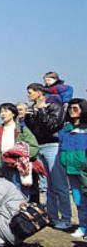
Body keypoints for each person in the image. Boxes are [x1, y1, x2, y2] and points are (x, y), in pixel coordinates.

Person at [24, 82, 71, 230]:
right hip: (40, 146)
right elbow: (33, 130)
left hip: (52, 145)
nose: (28, 95)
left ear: (39, 92)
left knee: (59, 184)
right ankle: (52, 216)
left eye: (31, 92)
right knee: (47, 185)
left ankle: (66, 218)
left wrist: (42, 111)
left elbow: (53, 125)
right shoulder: (33, 108)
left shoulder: (53, 105)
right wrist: (29, 117)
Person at [0, 103, 39, 195]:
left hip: (19, 165)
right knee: (4, 191)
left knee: (19, 190)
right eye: (1, 112)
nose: (2, 114)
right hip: (2, 164)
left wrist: (22, 156)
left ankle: (20, 208)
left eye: (5, 111)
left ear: (13, 114)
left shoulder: (22, 129)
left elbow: (34, 146)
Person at [59, 98, 87, 239]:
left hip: (85, 170)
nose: (72, 111)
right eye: (70, 108)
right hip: (71, 170)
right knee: (78, 200)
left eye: (75, 108)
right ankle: (83, 227)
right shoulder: (66, 129)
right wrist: (63, 161)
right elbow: (62, 149)